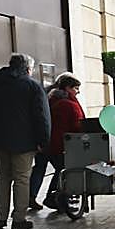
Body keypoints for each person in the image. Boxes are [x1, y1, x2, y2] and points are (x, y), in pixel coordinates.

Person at [0, 53, 50, 229]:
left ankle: (0, 217)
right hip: (24, 142)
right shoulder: (32, 86)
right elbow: (42, 116)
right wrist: (43, 140)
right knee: (22, 179)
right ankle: (19, 218)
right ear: (27, 68)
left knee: (2, 177)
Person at [30, 73, 84, 212]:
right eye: (76, 88)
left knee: (39, 168)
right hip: (59, 144)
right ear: (67, 88)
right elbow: (77, 125)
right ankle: (53, 196)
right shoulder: (69, 104)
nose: (78, 91)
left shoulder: (48, 98)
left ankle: (31, 196)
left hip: (43, 141)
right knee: (63, 170)